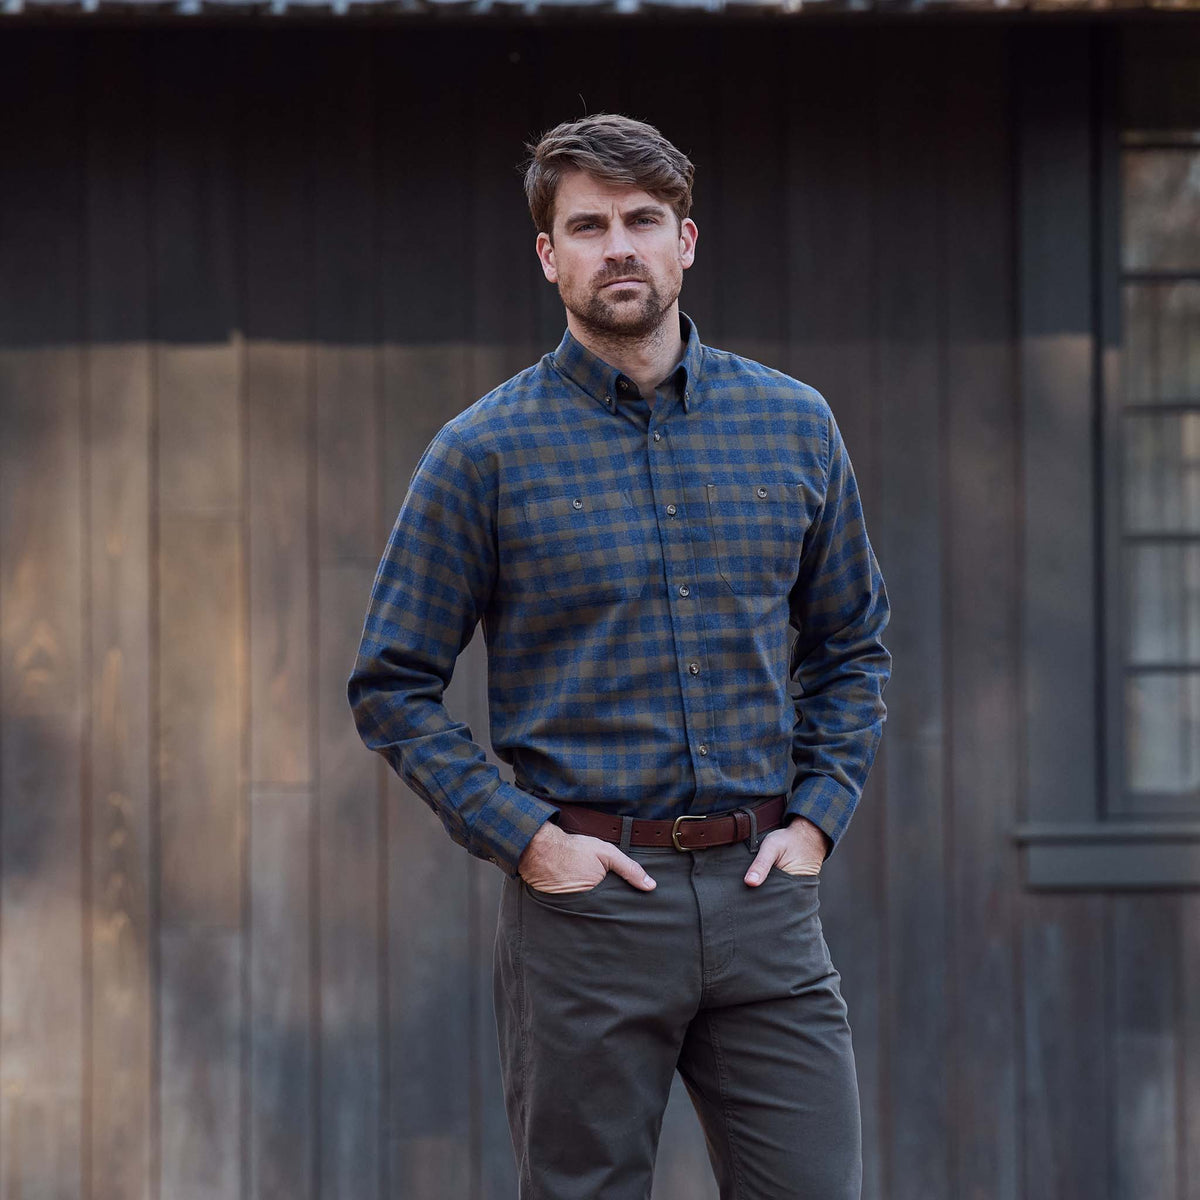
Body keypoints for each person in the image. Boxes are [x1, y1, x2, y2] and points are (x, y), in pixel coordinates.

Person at [348, 112, 891, 1200]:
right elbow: (392, 686)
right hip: (587, 910)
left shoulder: (794, 425)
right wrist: (529, 842)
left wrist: (818, 818)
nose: (619, 247)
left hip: (763, 898)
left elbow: (850, 643)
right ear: (548, 257)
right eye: (587, 227)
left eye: (643, 220)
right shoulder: (483, 453)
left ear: (686, 240)